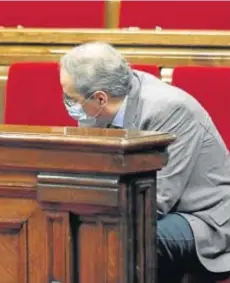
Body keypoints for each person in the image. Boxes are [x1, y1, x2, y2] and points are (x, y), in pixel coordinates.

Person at [60, 42, 230, 282]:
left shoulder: (170, 110)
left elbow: (159, 199)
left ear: (100, 98)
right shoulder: (97, 111)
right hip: (137, 205)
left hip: (204, 217)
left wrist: (91, 209)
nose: (68, 104)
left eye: (70, 98)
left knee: (132, 238)